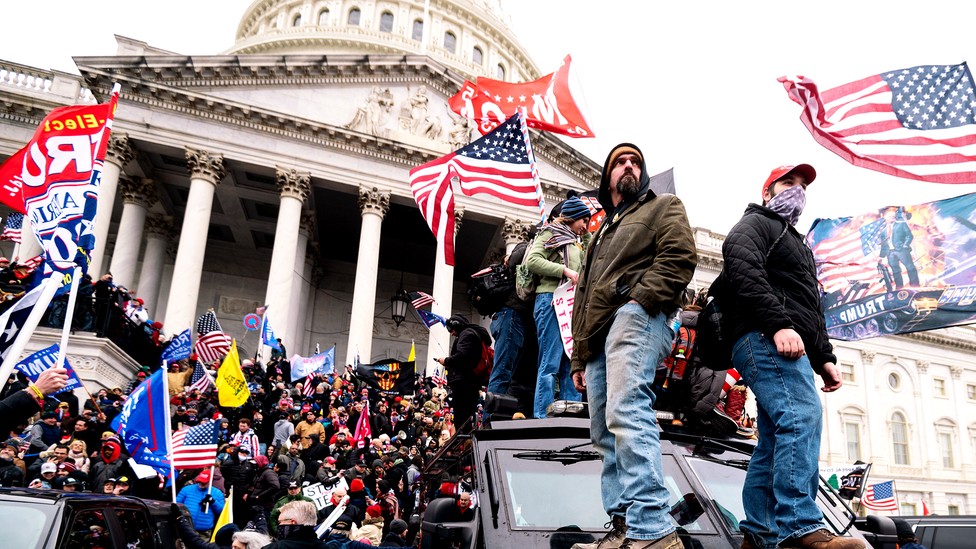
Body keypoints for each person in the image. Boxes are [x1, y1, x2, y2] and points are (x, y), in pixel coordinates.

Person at [721, 164, 862, 549]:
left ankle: (761, 534)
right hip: (765, 335)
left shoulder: (796, 243)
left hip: (781, 337)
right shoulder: (757, 223)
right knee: (801, 416)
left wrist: (824, 357)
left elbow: (809, 307)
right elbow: (741, 266)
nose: (796, 190)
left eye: (802, 186)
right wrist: (778, 324)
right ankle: (800, 527)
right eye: (788, 183)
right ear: (767, 191)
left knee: (773, 438)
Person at [570, 143, 696, 549]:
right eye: (620, 162)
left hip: (636, 318)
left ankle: (652, 528)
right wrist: (578, 356)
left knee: (627, 411)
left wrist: (639, 301)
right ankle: (625, 525)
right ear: (607, 177)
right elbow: (582, 297)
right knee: (604, 431)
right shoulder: (599, 234)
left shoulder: (663, 206)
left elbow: (680, 257)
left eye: (635, 162)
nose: (628, 166)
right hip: (597, 336)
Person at [526, 195, 590, 418]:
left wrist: (588, 234)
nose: (586, 226)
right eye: (584, 221)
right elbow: (532, 261)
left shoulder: (576, 241)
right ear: (573, 217)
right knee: (550, 362)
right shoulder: (550, 232)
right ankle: (542, 415)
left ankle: (571, 415)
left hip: (570, 306)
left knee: (571, 364)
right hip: (550, 301)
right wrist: (564, 271)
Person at [434, 315, 490, 432]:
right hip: (469, 381)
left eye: (451, 329)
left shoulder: (466, 334)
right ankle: (465, 439)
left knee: (462, 414)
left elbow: (461, 356)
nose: (451, 333)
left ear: (456, 325)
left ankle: (464, 440)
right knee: (466, 414)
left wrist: (446, 361)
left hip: (464, 382)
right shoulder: (471, 334)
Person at [176, 469, 226, 535]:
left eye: (204, 483)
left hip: (204, 532)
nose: (201, 484)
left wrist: (213, 502)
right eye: (200, 481)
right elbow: (176, 504)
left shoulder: (217, 493)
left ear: (210, 481)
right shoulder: (187, 489)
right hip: (186, 528)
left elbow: (221, 512)